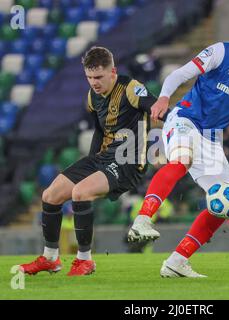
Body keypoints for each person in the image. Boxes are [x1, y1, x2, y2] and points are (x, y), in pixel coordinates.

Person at [128, 13, 229, 277]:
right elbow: (180, 73)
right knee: (182, 159)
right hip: (185, 119)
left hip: (212, 138)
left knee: (226, 203)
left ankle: (177, 262)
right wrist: (164, 98)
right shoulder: (222, 52)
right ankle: (143, 219)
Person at [20, 46, 163, 276]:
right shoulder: (92, 96)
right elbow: (100, 128)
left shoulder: (131, 88)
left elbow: (156, 107)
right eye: (89, 77)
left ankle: (85, 261)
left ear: (113, 71)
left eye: (99, 77)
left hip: (128, 161)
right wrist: (92, 158)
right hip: (102, 158)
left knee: (80, 193)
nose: (94, 82)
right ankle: (50, 258)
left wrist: (175, 124)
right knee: (50, 195)